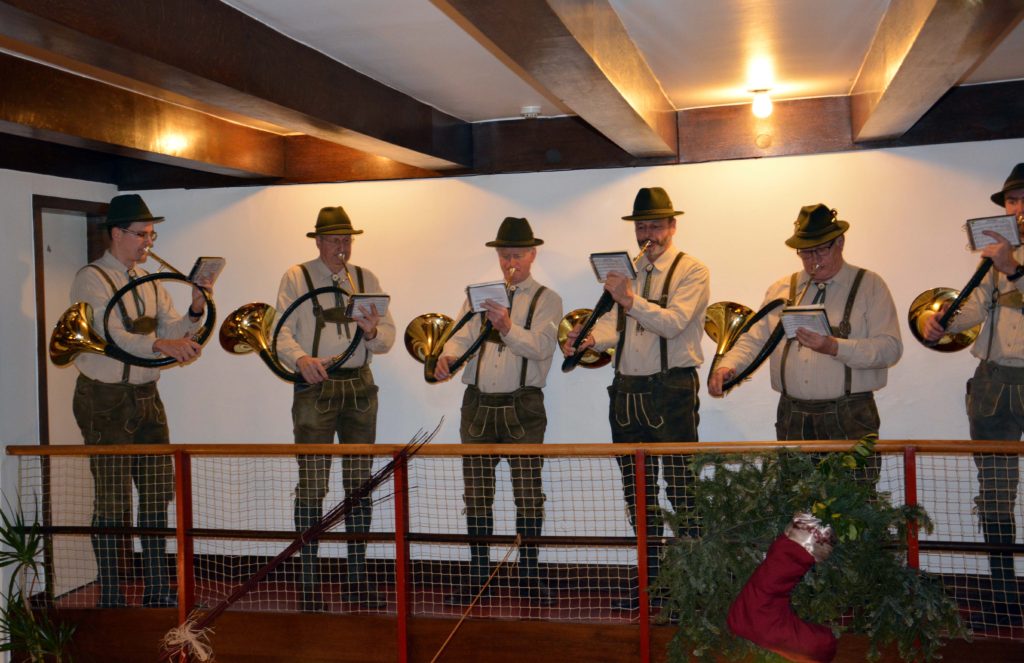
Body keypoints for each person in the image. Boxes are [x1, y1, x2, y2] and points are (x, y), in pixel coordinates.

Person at [564, 187, 710, 611]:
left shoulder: (692, 270)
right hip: (626, 390)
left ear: (673, 226)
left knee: (681, 489)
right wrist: (590, 339)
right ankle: (650, 583)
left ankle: (688, 585)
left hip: (673, 389)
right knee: (637, 493)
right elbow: (614, 326)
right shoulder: (627, 271)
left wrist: (630, 298)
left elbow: (674, 323)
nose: (648, 234)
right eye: (642, 226)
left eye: (656, 225)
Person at [71, 193, 210, 608]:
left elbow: (171, 328)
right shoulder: (91, 279)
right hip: (105, 399)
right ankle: (111, 593)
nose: (149, 242)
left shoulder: (147, 281)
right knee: (112, 498)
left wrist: (196, 310)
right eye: (141, 234)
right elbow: (111, 335)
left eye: (151, 235)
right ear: (117, 234)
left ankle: (157, 588)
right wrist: (162, 344)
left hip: (147, 395)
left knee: (155, 493)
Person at [709, 204, 902, 484]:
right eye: (805, 252)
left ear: (840, 242)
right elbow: (754, 338)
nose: (812, 260)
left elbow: (890, 348)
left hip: (850, 414)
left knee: (854, 497)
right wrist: (729, 366)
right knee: (794, 497)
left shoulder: (870, 285)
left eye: (820, 250)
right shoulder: (781, 288)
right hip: (793, 414)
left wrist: (835, 347)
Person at [434, 217, 563, 607]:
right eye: (505, 255)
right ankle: (478, 575)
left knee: (528, 494)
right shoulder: (480, 296)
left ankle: (528, 576)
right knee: (476, 494)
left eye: (517, 255)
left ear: (532, 255)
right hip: (477, 405)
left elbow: (542, 347)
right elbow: (460, 335)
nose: (510, 263)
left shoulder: (548, 299)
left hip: (523, 406)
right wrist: (447, 356)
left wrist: (506, 326)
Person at [275, 206, 395, 611]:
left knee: (359, 486)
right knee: (312, 484)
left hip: (360, 387)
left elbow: (387, 338)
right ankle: (308, 584)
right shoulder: (297, 277)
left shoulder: (366, 278)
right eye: (334, 240)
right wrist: (300, 359)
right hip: (316, 388)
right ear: (319, 242)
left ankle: (356, 580)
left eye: (347, 240)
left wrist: (373, 332)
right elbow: (279, 332)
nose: (341, 247)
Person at [922, 164, 1024, 629]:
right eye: (1012, 201)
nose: (1017, 209)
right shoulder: (993, 256)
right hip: (993, 383)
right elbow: (977, 308)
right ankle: (1004, 598)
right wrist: (941, 321)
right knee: (996, 496)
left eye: (1023, 200)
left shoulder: (1004, 260)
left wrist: (1013, 269)